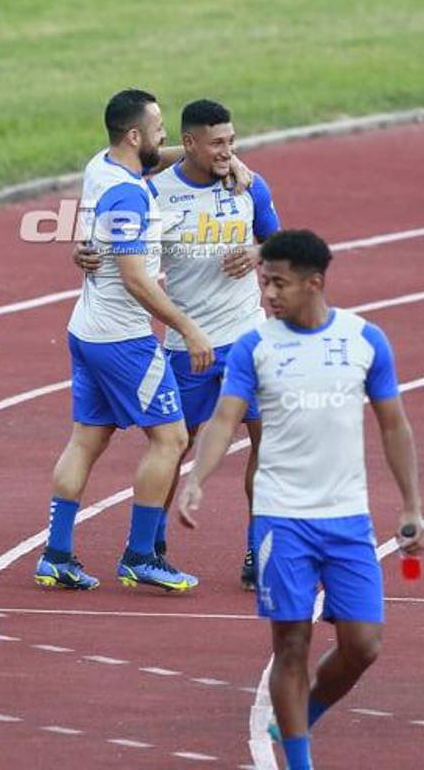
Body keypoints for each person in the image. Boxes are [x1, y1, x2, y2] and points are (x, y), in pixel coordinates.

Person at [176, 230, 424, 770]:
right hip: (280, 518)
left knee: (363, 645)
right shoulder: (257, 346)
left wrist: (411, 506)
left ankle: (304, 713)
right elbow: (223, 419)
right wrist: (197, 477)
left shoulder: (365, 341)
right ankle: (298, 760)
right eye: (265, 282)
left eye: (280, 283)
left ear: (315, 283)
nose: (268, 294)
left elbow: (394, 427)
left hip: (346, 519)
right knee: (291, 643)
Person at [34, 88, 214, 593]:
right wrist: (187, 326)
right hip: (122, 337)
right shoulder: (131, 196)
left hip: (85, 328)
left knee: (86, 439)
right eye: (159, 129)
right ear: (134, 135)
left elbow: (153, 163)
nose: (165, 137)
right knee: (172, 439)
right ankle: (139, 556)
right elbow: (136, 278)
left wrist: (214, 154)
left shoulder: (102, 167)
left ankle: (56, 554)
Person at [148, 98, 281, 589]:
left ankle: (259, 549)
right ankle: (150, 544)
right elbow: (116, 159)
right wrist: (87, 254)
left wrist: (257, 250)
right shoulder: (155, 193)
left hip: (250, 338)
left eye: (232, 142)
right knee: (173, 445)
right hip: (190, 345)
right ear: (187, 143)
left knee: (267, 443)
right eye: (217, 143)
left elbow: (278, 241)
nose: (228, 151)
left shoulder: (249, 185)